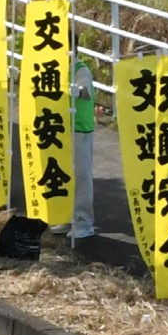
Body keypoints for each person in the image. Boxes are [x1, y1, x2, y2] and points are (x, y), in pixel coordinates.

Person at [66, 47, 96, 241]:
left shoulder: (80, 69)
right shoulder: (57, 67)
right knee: (65, 175)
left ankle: (84, 222)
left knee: (81, 176)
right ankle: (66, 216)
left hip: (80, 129)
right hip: (63, 127)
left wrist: (76, 90)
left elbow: (86, 92)